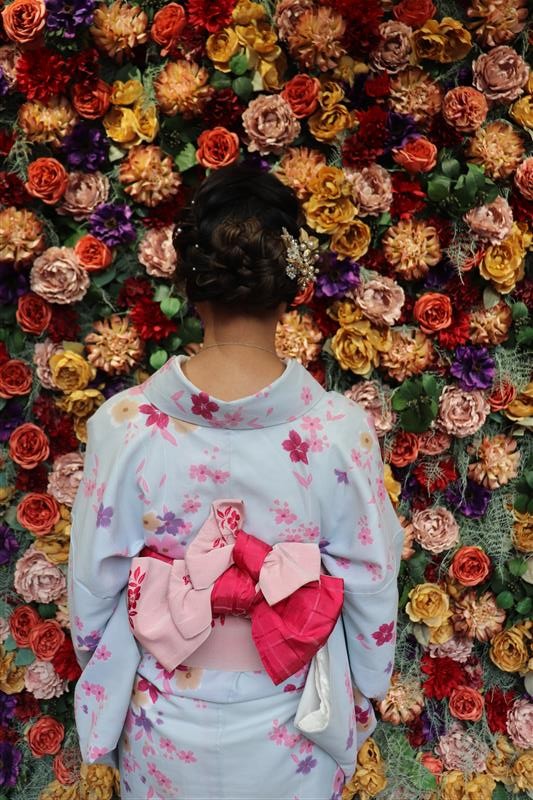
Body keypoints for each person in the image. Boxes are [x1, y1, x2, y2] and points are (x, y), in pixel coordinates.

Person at [68, 165, 404, 800]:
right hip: (297, 718)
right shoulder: (338, 432)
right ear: (291, 290)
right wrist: (367, 689)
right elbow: (371, 583)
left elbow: (92, 588)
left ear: (192, 287)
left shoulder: (125, 426)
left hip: (163, 717)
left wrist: (118, 659)